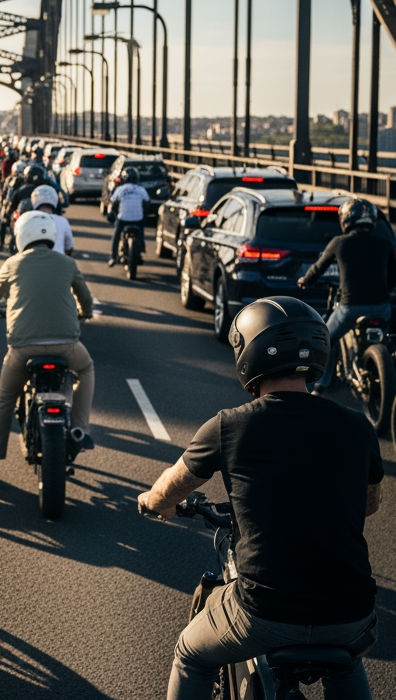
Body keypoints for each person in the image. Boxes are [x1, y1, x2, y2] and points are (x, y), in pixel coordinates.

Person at [138, 296, 381, 700]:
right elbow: (369, 504)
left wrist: (153, 503)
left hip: (264, 616)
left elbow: (170, 489)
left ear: (247, 355)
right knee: (347, 662)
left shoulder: (229, 426)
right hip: (352, 615)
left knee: (190, 654)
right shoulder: (358, 426)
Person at [0, 212, 94, 480]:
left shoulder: (13, 263)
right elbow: (85, 298)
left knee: (5, 398)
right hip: (66, 346)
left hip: (23, 349)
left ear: (21, 236)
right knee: (86, 369)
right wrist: (85, 312)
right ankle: (79, 428)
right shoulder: (67, 263)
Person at [296, 199, 396, 395]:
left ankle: (322, 384)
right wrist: (385, 292)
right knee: (384, 340)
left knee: (326, 339)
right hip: (382, 307)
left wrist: (305, 281)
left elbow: (318, 268)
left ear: (346, 220)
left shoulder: (339, 242)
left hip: (350, 307)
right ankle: (383, 369)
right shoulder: (384, 244)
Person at [107, 170, 149, 266]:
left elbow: (113, 202)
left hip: (123, 218)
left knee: (117, 235)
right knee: (141, 233)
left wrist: (113, 213)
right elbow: (147, 202)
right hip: (138, 218)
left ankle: (113, 257)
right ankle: (141, 250)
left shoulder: (120, 189)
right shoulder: (141, 189)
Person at [31, 186, 75, 256]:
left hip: (35, 260)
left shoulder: (30, 220)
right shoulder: (63, 221)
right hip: (59, 260)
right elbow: (69, 247)